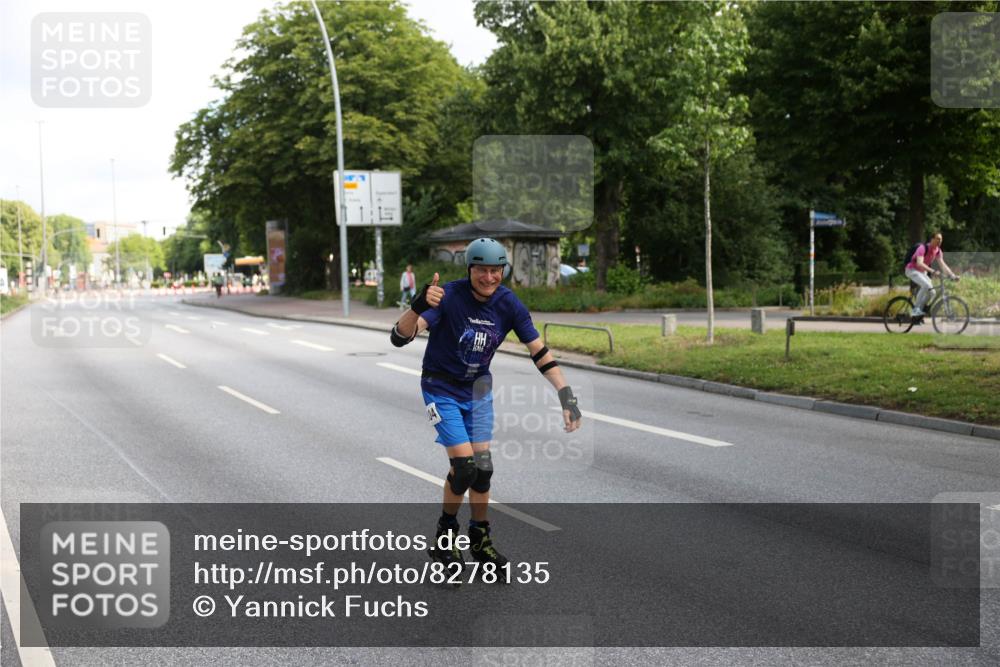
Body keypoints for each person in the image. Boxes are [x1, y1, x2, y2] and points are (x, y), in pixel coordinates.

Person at [390, 238, 582, 573]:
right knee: (463, 467)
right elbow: (400, 336)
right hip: (440, 387)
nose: (490, 277)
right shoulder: (448, 296)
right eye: (482, 270)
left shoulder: (508, 303)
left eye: (496, 271)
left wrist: (566, 395)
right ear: (470, 269)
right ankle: (444, 540)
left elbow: (539, 352)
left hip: (478, 391)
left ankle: (480, 541)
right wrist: (418, 305)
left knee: (482, 470)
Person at [905, 232, 959, 320]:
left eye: (941, 239)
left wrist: (952, 275)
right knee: (926, 286)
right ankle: (915, 309)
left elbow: (942, 265)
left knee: (932, 292)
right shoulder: (923, 248)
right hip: (912, 270)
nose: (940, 241)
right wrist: (933, 271)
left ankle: (919, 312)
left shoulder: (938, 251)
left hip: (922, 272)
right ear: (932, 239)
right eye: (937, 238)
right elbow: (919, 263)